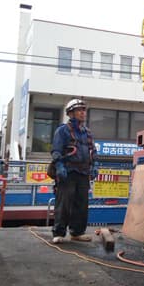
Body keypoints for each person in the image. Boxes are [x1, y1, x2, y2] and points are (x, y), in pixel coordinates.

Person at [50, 98, 98, 244]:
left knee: (81, 204)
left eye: (84, 110)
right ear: (71, 113)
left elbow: (93, 151)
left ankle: (77, 232)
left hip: (83, 173)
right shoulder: (62, 130)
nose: (83, 113)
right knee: (64, 203)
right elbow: (56, 150)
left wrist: (95, 165)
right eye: (79, 110)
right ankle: (59, 233)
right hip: (68, 172)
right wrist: (59, 166)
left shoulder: (87, 132)